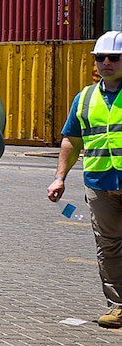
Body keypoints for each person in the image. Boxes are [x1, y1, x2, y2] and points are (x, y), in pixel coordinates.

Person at [48, 31, 122, 329]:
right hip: (100, 184)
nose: (106, 62)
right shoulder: (84, 97)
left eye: (114, 57)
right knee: (109, 247)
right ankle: (118, 306)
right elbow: (71, 141)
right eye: (100, 57)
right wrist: (59, 178)